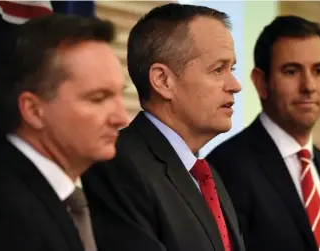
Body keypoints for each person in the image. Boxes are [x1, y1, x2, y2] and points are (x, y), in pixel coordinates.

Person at [82, 3, 244, 251]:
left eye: (231, 69)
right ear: (163, 81)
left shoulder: (206, 176)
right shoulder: (116, 165)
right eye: (218, 69)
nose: (235, 85)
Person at [206, 15, 320, 251]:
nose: (309, 86)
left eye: (318, 70)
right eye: (292, 71)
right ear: (261, 82)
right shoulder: (225, 168)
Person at [0, 13, 129, 251]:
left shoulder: (78, 197)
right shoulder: (1, 212)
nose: (121, 118)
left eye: (119, 95)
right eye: (98, 98)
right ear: (33, 110)